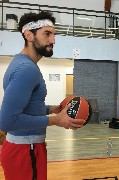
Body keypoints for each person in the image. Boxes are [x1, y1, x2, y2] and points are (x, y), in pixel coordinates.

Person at [0, 11, 85, 180]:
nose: (53, 40)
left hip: (25, 148)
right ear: (29, 35)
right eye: (47, 34)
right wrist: (56, 120)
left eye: (54, 34)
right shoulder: (27, 69)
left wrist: (50, 109)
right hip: (25, 150)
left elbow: (26, 106)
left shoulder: (22, 63)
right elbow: (7, 120)